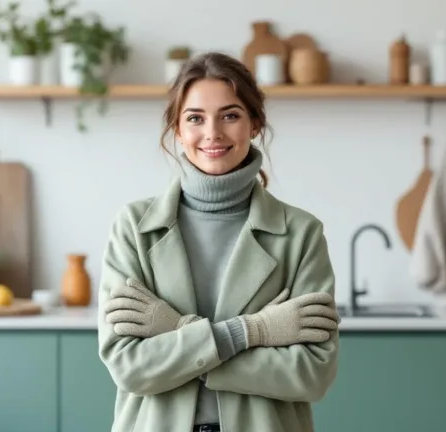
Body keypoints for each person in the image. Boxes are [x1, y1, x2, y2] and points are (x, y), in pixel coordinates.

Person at [97, 51, 340, 432]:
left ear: (255, 123)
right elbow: (129, 366)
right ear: (178, 129)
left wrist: (176, 332)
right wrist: (253, 332)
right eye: (195, 118)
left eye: (230, 115)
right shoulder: (134, 226)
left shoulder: (301, 233)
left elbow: (312, 373)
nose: (212, 133)